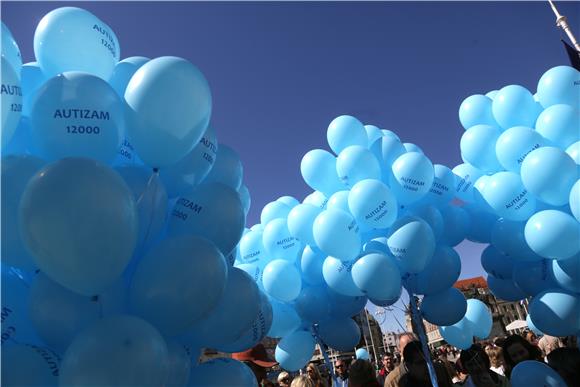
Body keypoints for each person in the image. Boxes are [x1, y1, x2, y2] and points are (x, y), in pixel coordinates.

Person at [386, 340, 454, 387]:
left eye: (429, 360)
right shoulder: (397, 381)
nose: (427, 366)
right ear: (409, 365)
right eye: (420, 363)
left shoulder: (440, 369)